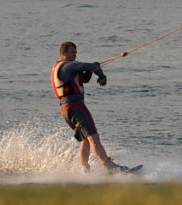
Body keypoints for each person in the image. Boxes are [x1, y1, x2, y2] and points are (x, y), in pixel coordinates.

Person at [50, 41, 130, 173]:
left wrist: (92, 71)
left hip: (66, 110)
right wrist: (101, 75)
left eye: (76, 52)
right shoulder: (67, 66)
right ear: (63, 54)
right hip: (76, 107)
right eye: (72, 52)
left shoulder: (62, 68)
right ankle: (111, 167)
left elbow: (85, 78)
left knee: (86, 140)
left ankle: (85, 170)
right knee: (93, 137)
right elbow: (92, 66)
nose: (75, 55)